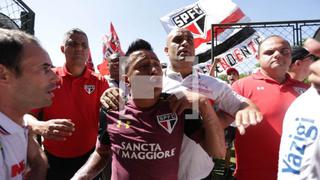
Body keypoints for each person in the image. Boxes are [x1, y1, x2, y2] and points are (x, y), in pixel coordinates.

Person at [101, 28, 263, 180]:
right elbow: (130, 104)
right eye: (177, 40)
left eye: (189, 40)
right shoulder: (152, 80)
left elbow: (243, 105)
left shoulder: (213, 84)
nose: (185, 43)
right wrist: (111, 93)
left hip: (200, 172)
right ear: (165, 50)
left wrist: (244, 109)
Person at [72, 45, 226, 180]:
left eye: (157, 65)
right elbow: (102, 152)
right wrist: (80, 177)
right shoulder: (112, 108)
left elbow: (218, 152)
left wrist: (205, 105)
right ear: (127, 80)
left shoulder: (178, 106)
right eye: (144, 65)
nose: (153, 70)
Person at [27, 28, 109, 180]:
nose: (79, 48)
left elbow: (115, 117)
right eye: (73, 43)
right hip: (53, 161)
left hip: (90, 160)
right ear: (62, 49)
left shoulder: (100, 81)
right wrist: (40, 126)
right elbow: (26, 116)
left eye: (84, 45)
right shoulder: (48, 78)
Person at [231, 35, 310, 180]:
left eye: (284, 51)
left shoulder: (308, 91)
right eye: (269, 52)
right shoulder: (240, 86)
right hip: (254, 174)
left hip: (301, 174)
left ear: (291, 57)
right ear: (257, 57)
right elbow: (221, 122)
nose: (278, 55)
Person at [0, 28, 58, 179]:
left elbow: (38, 160)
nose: (56, 78)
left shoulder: (17, 120)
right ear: (3, 75)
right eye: (45, 69)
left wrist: (39, 165)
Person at [277, 38, 320, 179]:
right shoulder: (303, 101)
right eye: (312, 59)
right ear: (298, 63)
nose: (314, 64)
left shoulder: (308, 93)